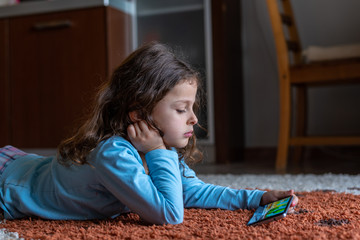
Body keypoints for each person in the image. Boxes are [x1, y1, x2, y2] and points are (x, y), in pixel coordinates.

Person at [0, 42, 298, 224]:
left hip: (28, 167)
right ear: (140, 114)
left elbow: (190, 191)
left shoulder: (159, 148)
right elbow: (169, 214)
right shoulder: (114, 153)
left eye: (192, 108)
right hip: (7, 185)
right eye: (182, 109)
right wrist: (156, 152)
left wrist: (258, 198)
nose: (194, 118)